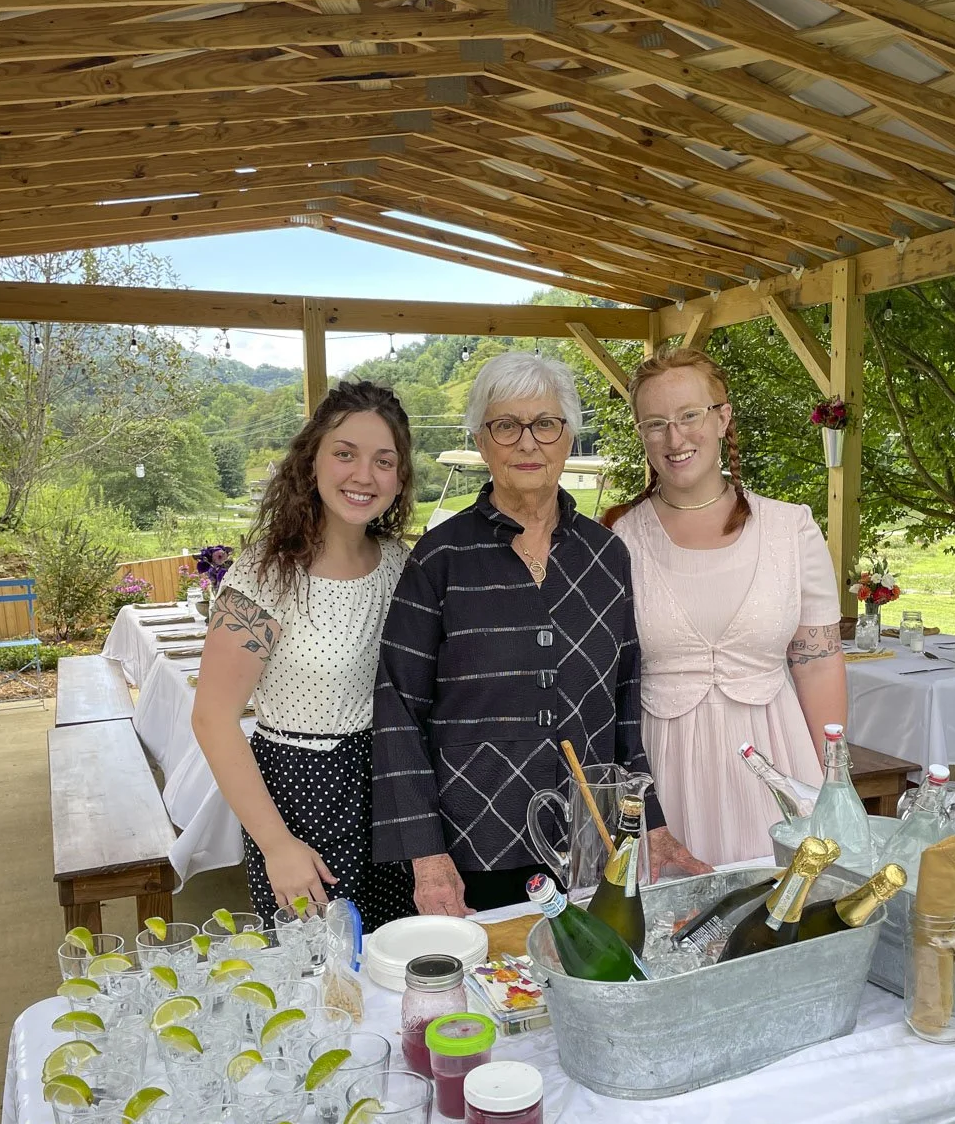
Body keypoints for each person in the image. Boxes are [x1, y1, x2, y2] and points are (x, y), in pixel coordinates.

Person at [372, 350, 708, 914]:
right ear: (481, 441)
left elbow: (625, 710)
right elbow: (398, 712)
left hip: (590, 845)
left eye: (546, 424)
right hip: (473, 850)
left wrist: (651, 825)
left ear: (569, 436)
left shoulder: (606, 558)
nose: (528, 443)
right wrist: (427, 858)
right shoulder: (439, 558)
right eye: (506, 426)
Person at [606, 347, 846, 865]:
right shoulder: (616, 540)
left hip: (777, 764)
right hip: (662, 775)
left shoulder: (791, 529)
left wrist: (834, 781)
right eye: (655, 423)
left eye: (690, 415)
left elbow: (819, 664)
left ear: (722, 418)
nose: (675, 438)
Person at [192, 380, 415, 930]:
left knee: (396, 955)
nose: (364, 475)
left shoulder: (400, 563)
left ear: (400, 477)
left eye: (383, 461)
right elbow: (213, 718)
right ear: (311, 462)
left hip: (390, 787)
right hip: (302, 793)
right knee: (320, 964)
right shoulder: (265, 575)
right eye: (345, 454)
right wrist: (276, 845)